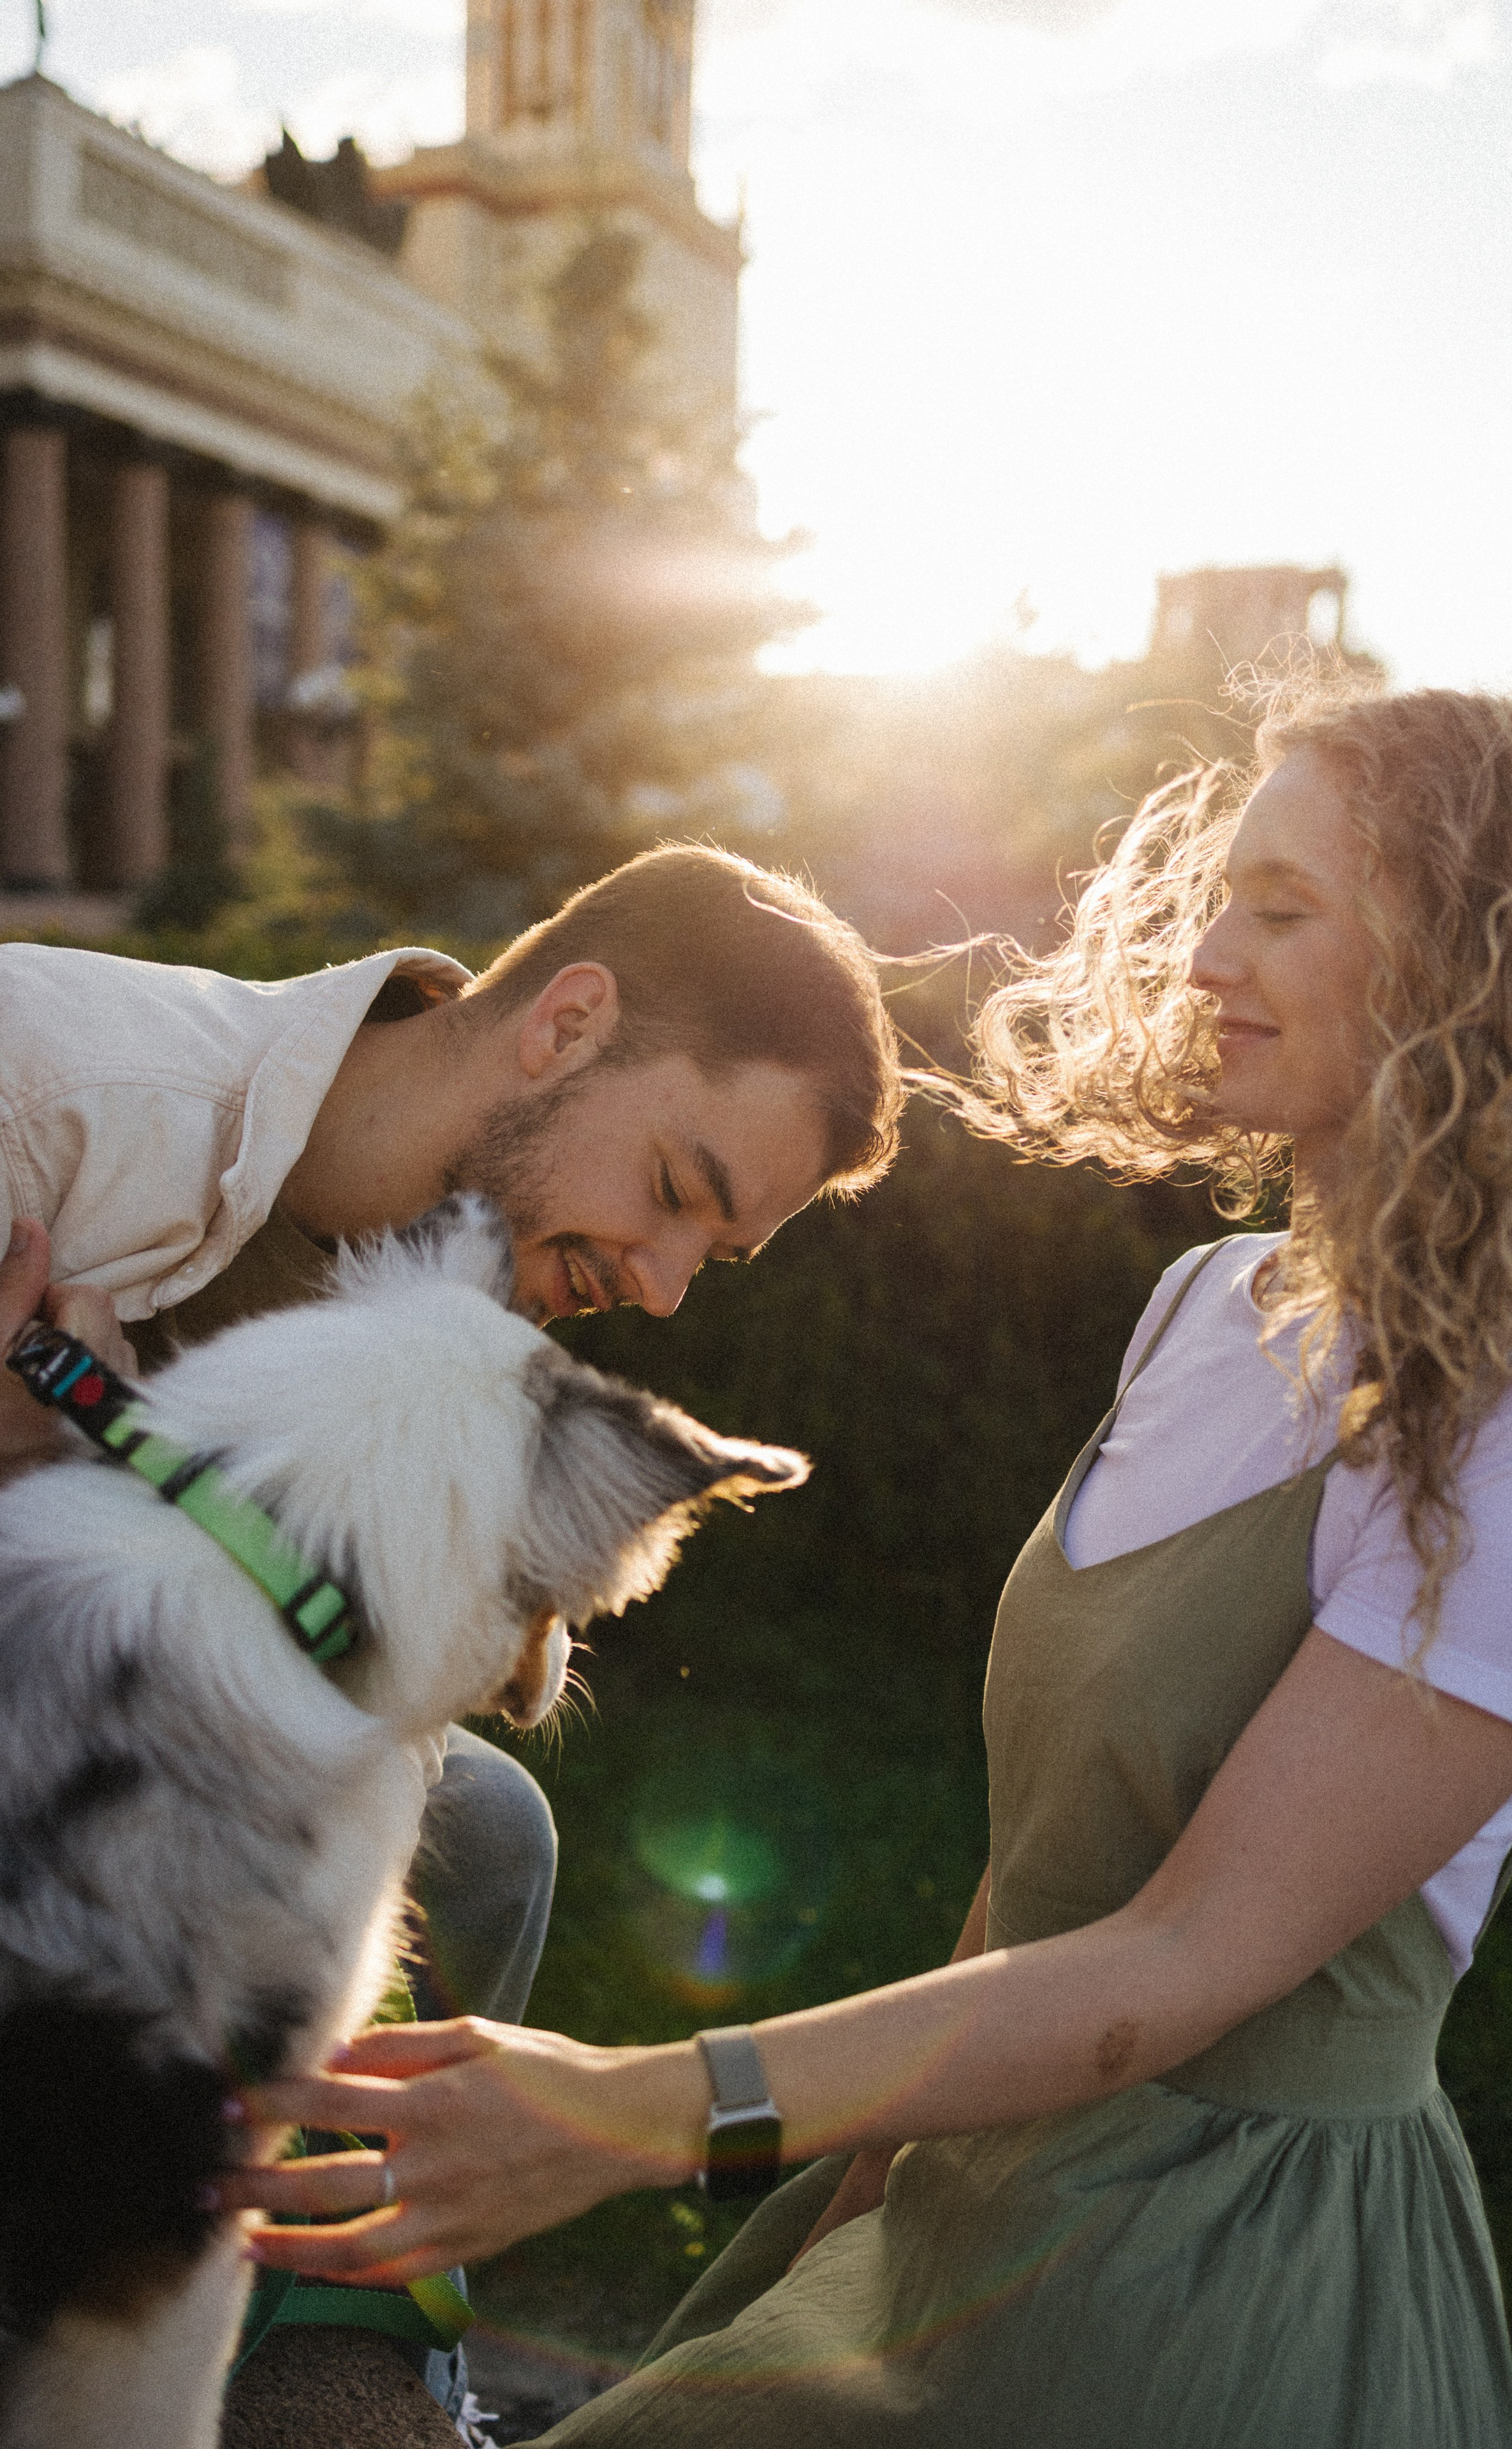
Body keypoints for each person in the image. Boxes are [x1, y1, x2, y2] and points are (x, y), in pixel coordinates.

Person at [229, 686, 1512, 2447]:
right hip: (962, 2198)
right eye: (1221, 898)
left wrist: (633, 2114)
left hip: (1212, 2306)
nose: (1207, 958)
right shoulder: (1201, 1308)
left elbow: (1178, 1960)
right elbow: (1041, 1881)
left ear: (1471, 967)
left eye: (1282, 911)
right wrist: (850, 2207)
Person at [0, 842, 900, 2411]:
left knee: (487, 1831)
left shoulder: (472, 1277)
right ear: (564, 1023)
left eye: (712, 1255)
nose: (663, 1290)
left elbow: (478, 1650)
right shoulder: (50, 1101)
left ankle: (356, 2355)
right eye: (673, 1192)